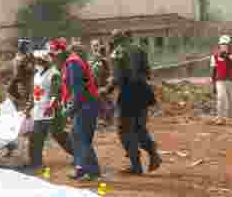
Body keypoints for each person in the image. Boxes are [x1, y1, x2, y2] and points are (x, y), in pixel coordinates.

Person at [103, 29, 160, 175]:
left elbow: (117, 78)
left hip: (127, 93)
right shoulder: (139, 48)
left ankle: (136, 165)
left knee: (124, 130)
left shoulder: (117, 52)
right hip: (143, 91)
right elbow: (148, 72)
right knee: (140, 128)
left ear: (114, 40)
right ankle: (154, 154)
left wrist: (106, 90)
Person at [51, 39, 102, 181]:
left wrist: (69, 110)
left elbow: (78, 91)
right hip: (85, 103)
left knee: (80, 136)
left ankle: (91, 171)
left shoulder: (72, 63)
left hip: (85, 103)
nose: (53, 58)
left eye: (54, 55)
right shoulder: (72, 62)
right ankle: (82, 168)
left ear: (61, 53)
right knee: (78, 136)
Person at [26, 50, 61, 169]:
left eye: (39, 61)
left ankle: (78, 156)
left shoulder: (54, 74)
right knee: (35, 137)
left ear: (45, 61)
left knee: (59, 135)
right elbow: (34, 92)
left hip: (49, 110)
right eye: (36, 61)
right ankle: (35, 162)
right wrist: (28, 107)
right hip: (38, 110)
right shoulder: (37, 75)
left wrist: (50, 105)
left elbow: (55, 92)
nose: (36, 63)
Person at [4, 38, 36, 156]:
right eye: (25, 46)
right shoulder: (21, 58)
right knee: (22, 117)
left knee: (25, 116)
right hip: (22, 89)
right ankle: (16, 144)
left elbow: (30, 71)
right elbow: (24, 71)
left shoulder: (22, 58)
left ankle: (22, 145)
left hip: (23, 89)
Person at [210, 34, 232, 119]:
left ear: (229, 45)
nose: (224, 46)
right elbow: (213, 70)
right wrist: (213, 84)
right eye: (222, 44)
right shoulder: (215, 55)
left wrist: (231, 58)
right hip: (220, 80)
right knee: (221, 97)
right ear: (219, 45)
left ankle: (230, 117)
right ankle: (220, 117)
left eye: (225, 44)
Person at [90, 38, 114, 127]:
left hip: (103, 84)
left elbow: (110, 72)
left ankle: (108, 120)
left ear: (100, 46)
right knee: (99, 103)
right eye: (93, 46)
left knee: (106, 102)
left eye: (97, 45)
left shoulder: (104, 60)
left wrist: (107, 85)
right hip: (94, 85)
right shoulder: (92, 59)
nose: (95, 48)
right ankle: (102, 120)